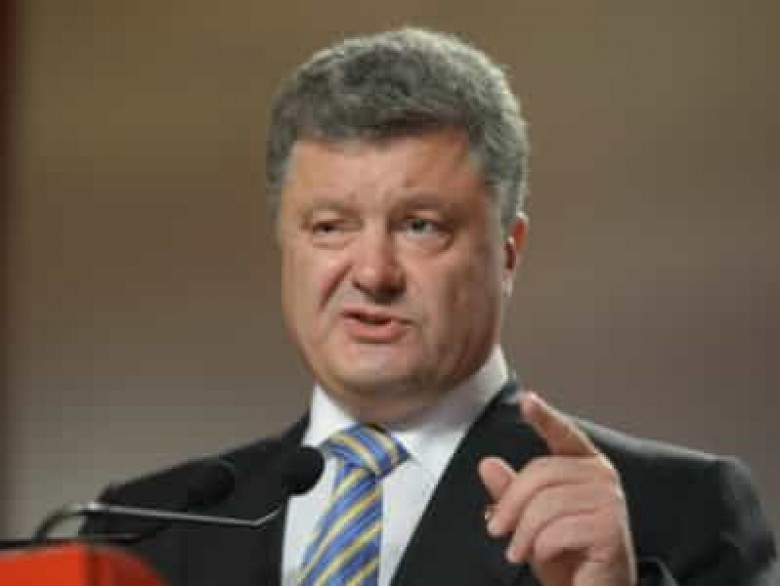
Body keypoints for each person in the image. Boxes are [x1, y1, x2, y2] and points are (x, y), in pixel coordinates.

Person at [82, 28, 777, 585]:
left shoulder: (677, 514)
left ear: (509, 251)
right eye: (330, 227)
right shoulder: (142, 531)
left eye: (421, 226)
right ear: (284, 244)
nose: (373, 273)